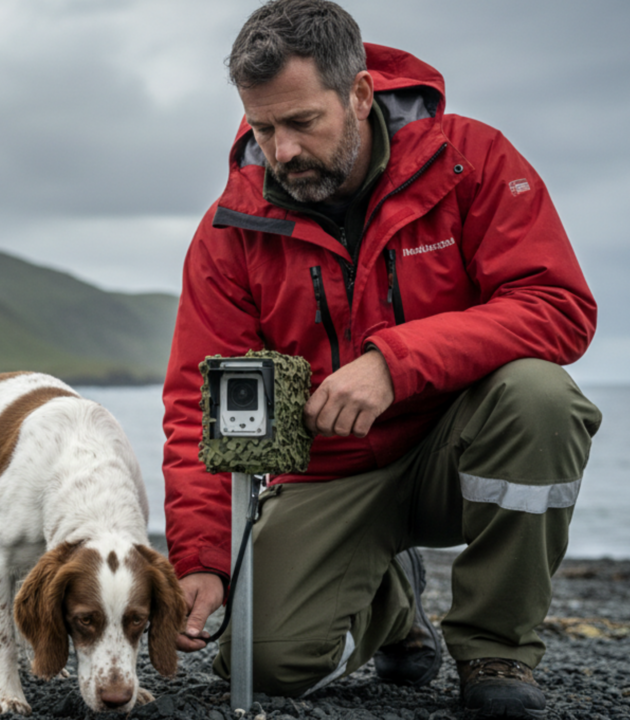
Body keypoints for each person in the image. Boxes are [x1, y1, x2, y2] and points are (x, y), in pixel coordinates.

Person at [160, 1, 602, 718]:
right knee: (263, 663)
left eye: (303, 122)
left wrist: (396, 363)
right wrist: (203, 557)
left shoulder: (473, 160)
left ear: (360, 94)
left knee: (541, 397)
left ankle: (495, 647)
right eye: (264, 127)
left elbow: (557, 304)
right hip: (330, 472)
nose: (283, 151)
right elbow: (198, 407)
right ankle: (392, 604)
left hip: (457, 452)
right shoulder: (229, 230)